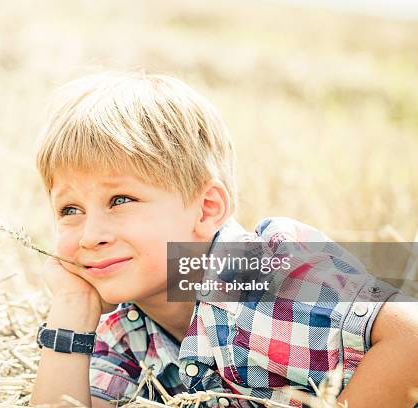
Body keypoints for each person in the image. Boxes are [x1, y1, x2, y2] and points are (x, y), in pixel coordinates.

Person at [29, 71, 418, 407]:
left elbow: (412, 336)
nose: (90, 235)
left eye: (120, 200)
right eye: (69, 210)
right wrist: (71, 310)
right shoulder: (126, 331)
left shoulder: (262, 276)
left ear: (206, 209)